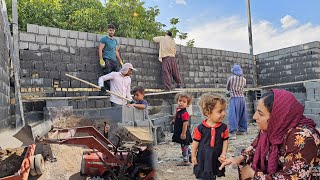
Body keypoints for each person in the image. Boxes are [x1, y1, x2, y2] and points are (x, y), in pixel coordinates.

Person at [220, 90, 320, 179]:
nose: (254, 116)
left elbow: (293, 177)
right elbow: (255, 147)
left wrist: (254, 174)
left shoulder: (302, 138)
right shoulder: (271, 129)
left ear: (277, 117)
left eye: (260, 113)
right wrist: (239, 158)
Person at [192, 93, 229, 180]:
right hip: (203, 157)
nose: (224, 113)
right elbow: (195, 143)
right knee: (202, 175)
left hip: (215, 156)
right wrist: (193, 155)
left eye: (224, 110)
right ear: (208, 113)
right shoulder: (200, 128)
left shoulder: (224, 127)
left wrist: (223, 153)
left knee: (212, 174)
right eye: (220, 111)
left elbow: (225, 141)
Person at [99, 24, 124, 90]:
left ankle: (117, 89)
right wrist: (101, 59)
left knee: (120, 74)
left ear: (114, 31)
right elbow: (100, 49)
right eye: (110, 30)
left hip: (114, 60)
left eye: (113, 31)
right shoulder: (104, 39)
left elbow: (116, 51)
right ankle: (107, 91)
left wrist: (120, 61)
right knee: (107, 75)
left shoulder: (115, 40)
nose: (111, 32)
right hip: (107, 60)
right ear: (107, 30)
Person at [226, 64, 247, 140]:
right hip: (242, 98)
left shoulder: (231, 78)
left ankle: (232, 133)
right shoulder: (244, 79)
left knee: (233, 115)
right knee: (242, 114)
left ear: (233, 71)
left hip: (234, 98)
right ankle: (242, 130)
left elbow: (228, 88)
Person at [171, 93, 193, 166]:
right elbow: (176, 116)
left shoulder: (185, 113)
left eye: (184, 102)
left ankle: (185, 160)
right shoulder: (178, 110)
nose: (181, 103)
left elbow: (185, 124)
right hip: (179, 130)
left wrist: (183, 133)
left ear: (187, 104)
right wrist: (174, 121)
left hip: (183, 131)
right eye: (180, 101)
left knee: (184, 146)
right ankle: (191, 156)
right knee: (185, 145)